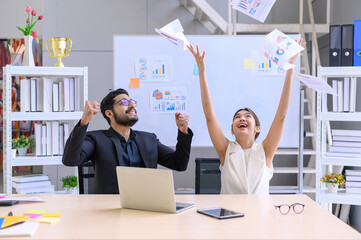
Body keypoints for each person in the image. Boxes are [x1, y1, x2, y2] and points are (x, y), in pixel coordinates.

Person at [188, 39, 306, 194]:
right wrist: (202, 72)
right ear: (232, 129)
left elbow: (281, 116)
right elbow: (209, 115)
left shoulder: (265, 151)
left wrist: (290, 68)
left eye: (247, 116)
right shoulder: (225, 150)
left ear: (257, 128)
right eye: (237, 117)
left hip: (260, 217)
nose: (242, 118)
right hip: (230, 216)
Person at [62, 88, 193, 194]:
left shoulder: (149, 139)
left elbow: (179, 164)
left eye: (132, 102)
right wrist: (84, 121)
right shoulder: (96, 139)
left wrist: (183, 131)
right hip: (109, 211)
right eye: (124, 102)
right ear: (109, 113)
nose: (131, 105)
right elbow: (70, 160)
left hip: (147, 208)